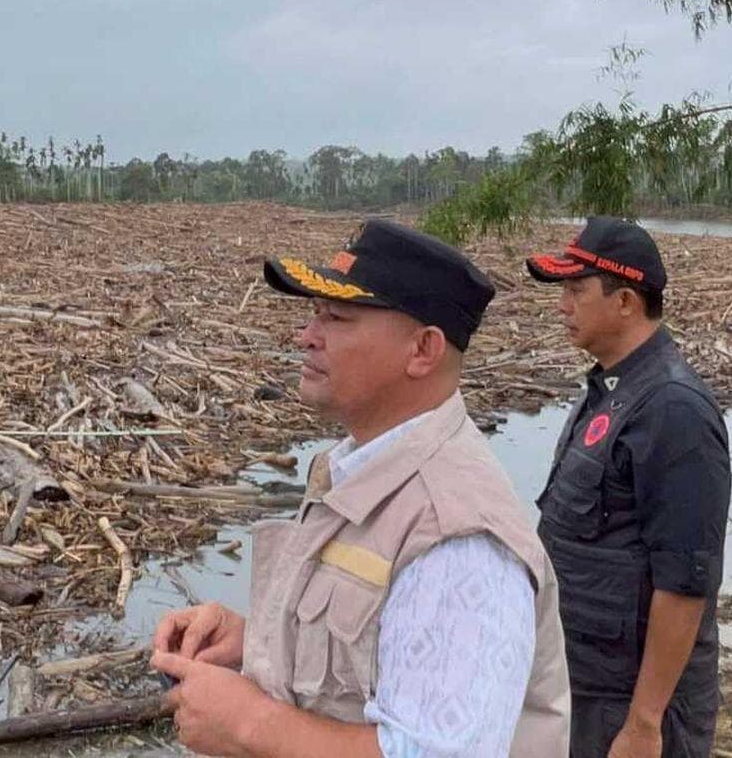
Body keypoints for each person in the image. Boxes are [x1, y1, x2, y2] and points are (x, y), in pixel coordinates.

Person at [151, 219, 570, 758]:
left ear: (422, 350)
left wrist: (250, 723)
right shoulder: (361, 468)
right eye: (315, 313)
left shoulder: (458, 540)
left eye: (337, 317)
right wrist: (255, 642)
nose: (307, 335)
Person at [524, 216, 731, 758]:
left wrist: (643, 724)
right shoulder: (610, 389)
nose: (562, 306)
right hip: (583, 684)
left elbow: (684, 582)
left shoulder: (674, 410)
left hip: (628, 705)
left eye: (576, 290)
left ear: (625, 302)